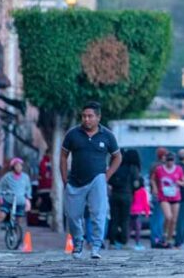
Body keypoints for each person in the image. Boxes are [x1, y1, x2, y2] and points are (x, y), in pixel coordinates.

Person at [60, 102, 122, 259]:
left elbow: (117, 157)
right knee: (73, 215)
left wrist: (107, 175)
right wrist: (64, 179)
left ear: (98, 117)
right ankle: (78, 242)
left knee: (98, 213)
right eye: (84, 116)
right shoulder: (72, 134)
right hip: (74, 180)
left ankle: (96, 245)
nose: (86, 119)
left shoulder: (107, 135)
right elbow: (63, 156)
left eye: (90, 116)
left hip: (97, 178)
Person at [0, 157, 32, 244]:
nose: (19, 167)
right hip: (8, 200)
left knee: (19, 221)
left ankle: (19, 240)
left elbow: (28, 189)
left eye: (20, 166)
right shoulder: (7, 177)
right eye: (17, 166)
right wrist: (0, 197)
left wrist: (28, 200)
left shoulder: (25, 177)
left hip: (20, 201)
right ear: (13, 167)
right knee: (0, 216)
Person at [152, 152, 184, 248]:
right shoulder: (159, 169)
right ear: (165, 160)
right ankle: (164, 234)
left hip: (175, 197)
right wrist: (155, 187)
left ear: (174, 160)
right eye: (168, 160)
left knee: (174, 220)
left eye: (172, 160)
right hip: (163, 197)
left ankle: (169, 239)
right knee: (168, 217)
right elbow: (153, 179)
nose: (170, 162)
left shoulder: (179, 169)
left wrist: (179, 182)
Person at [107, 149, 141, 250]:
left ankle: (112, 242)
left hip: (115, 195)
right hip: (127, 195)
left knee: (114, 219)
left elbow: (110, 180)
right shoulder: (133, 168)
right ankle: (124, 242)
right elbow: (136, 184)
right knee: (125, 219)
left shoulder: (115, 168)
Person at [130, 176, 151, 251]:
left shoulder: (132, 190)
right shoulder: (142, 191)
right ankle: (137, 243)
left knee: (130, 228)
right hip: (137, 212)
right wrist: (147, 212)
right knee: (137, 228)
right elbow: (145, 203)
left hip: (132, 211)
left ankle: (124, 242)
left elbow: (145, 203)